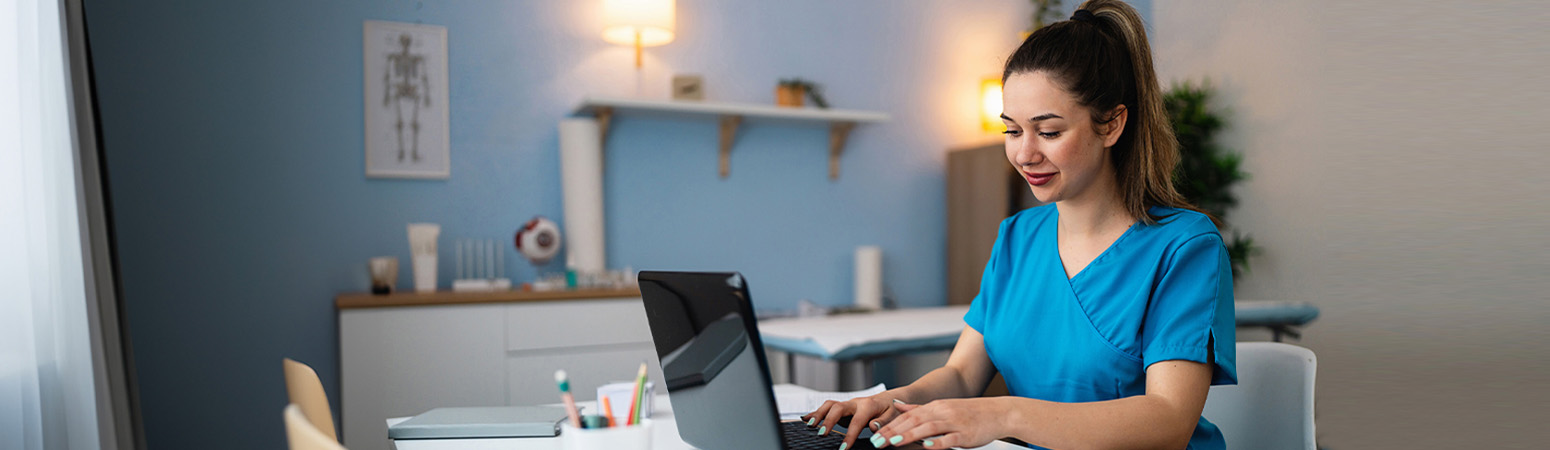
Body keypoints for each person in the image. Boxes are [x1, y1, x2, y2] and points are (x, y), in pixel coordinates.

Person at [802, 1, 1237, 449]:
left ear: (1111, 124)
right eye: (1012, 131)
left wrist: (1005, 414)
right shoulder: (1018, 236)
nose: (1025, 154)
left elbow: (1168, 421)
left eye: (1048, 132)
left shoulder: (1184, 246)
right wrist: (893, 402)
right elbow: (961, 374)